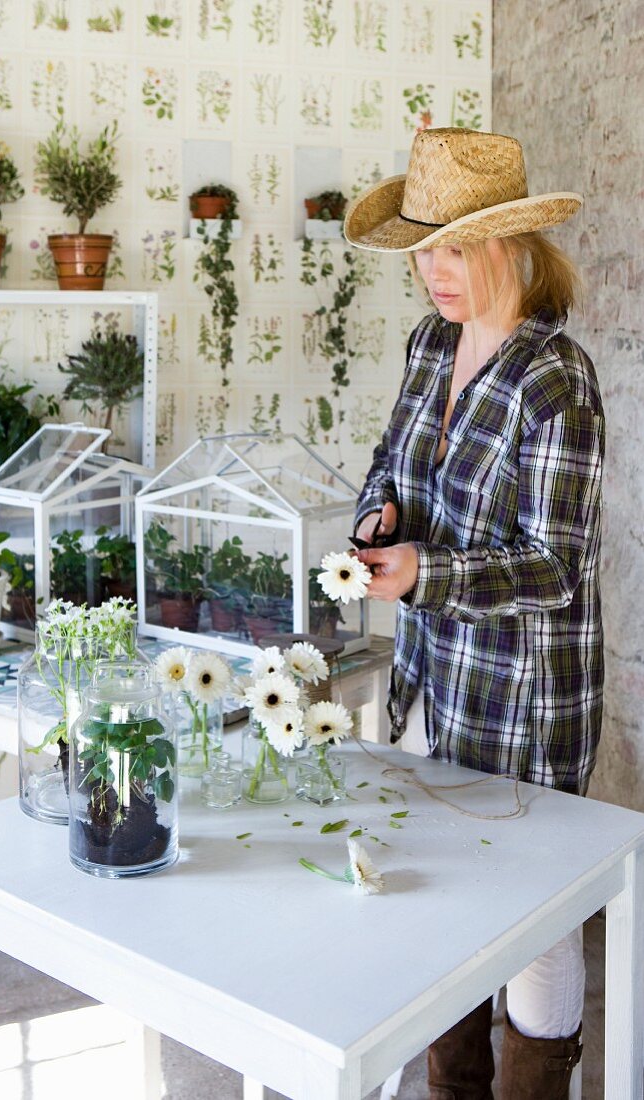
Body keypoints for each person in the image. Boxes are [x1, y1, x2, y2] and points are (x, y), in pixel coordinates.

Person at [344, 127, 604, 1099]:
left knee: (529, 933)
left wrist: (424, 572)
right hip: (429, 686)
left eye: (451, 247)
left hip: (520, 702)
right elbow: (388, 466)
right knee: (444, 911)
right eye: (420, 247)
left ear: (510, 247)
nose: (429, 272)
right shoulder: (427, 346)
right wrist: (377, 516)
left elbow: (553, 566)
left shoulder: (555, 378)